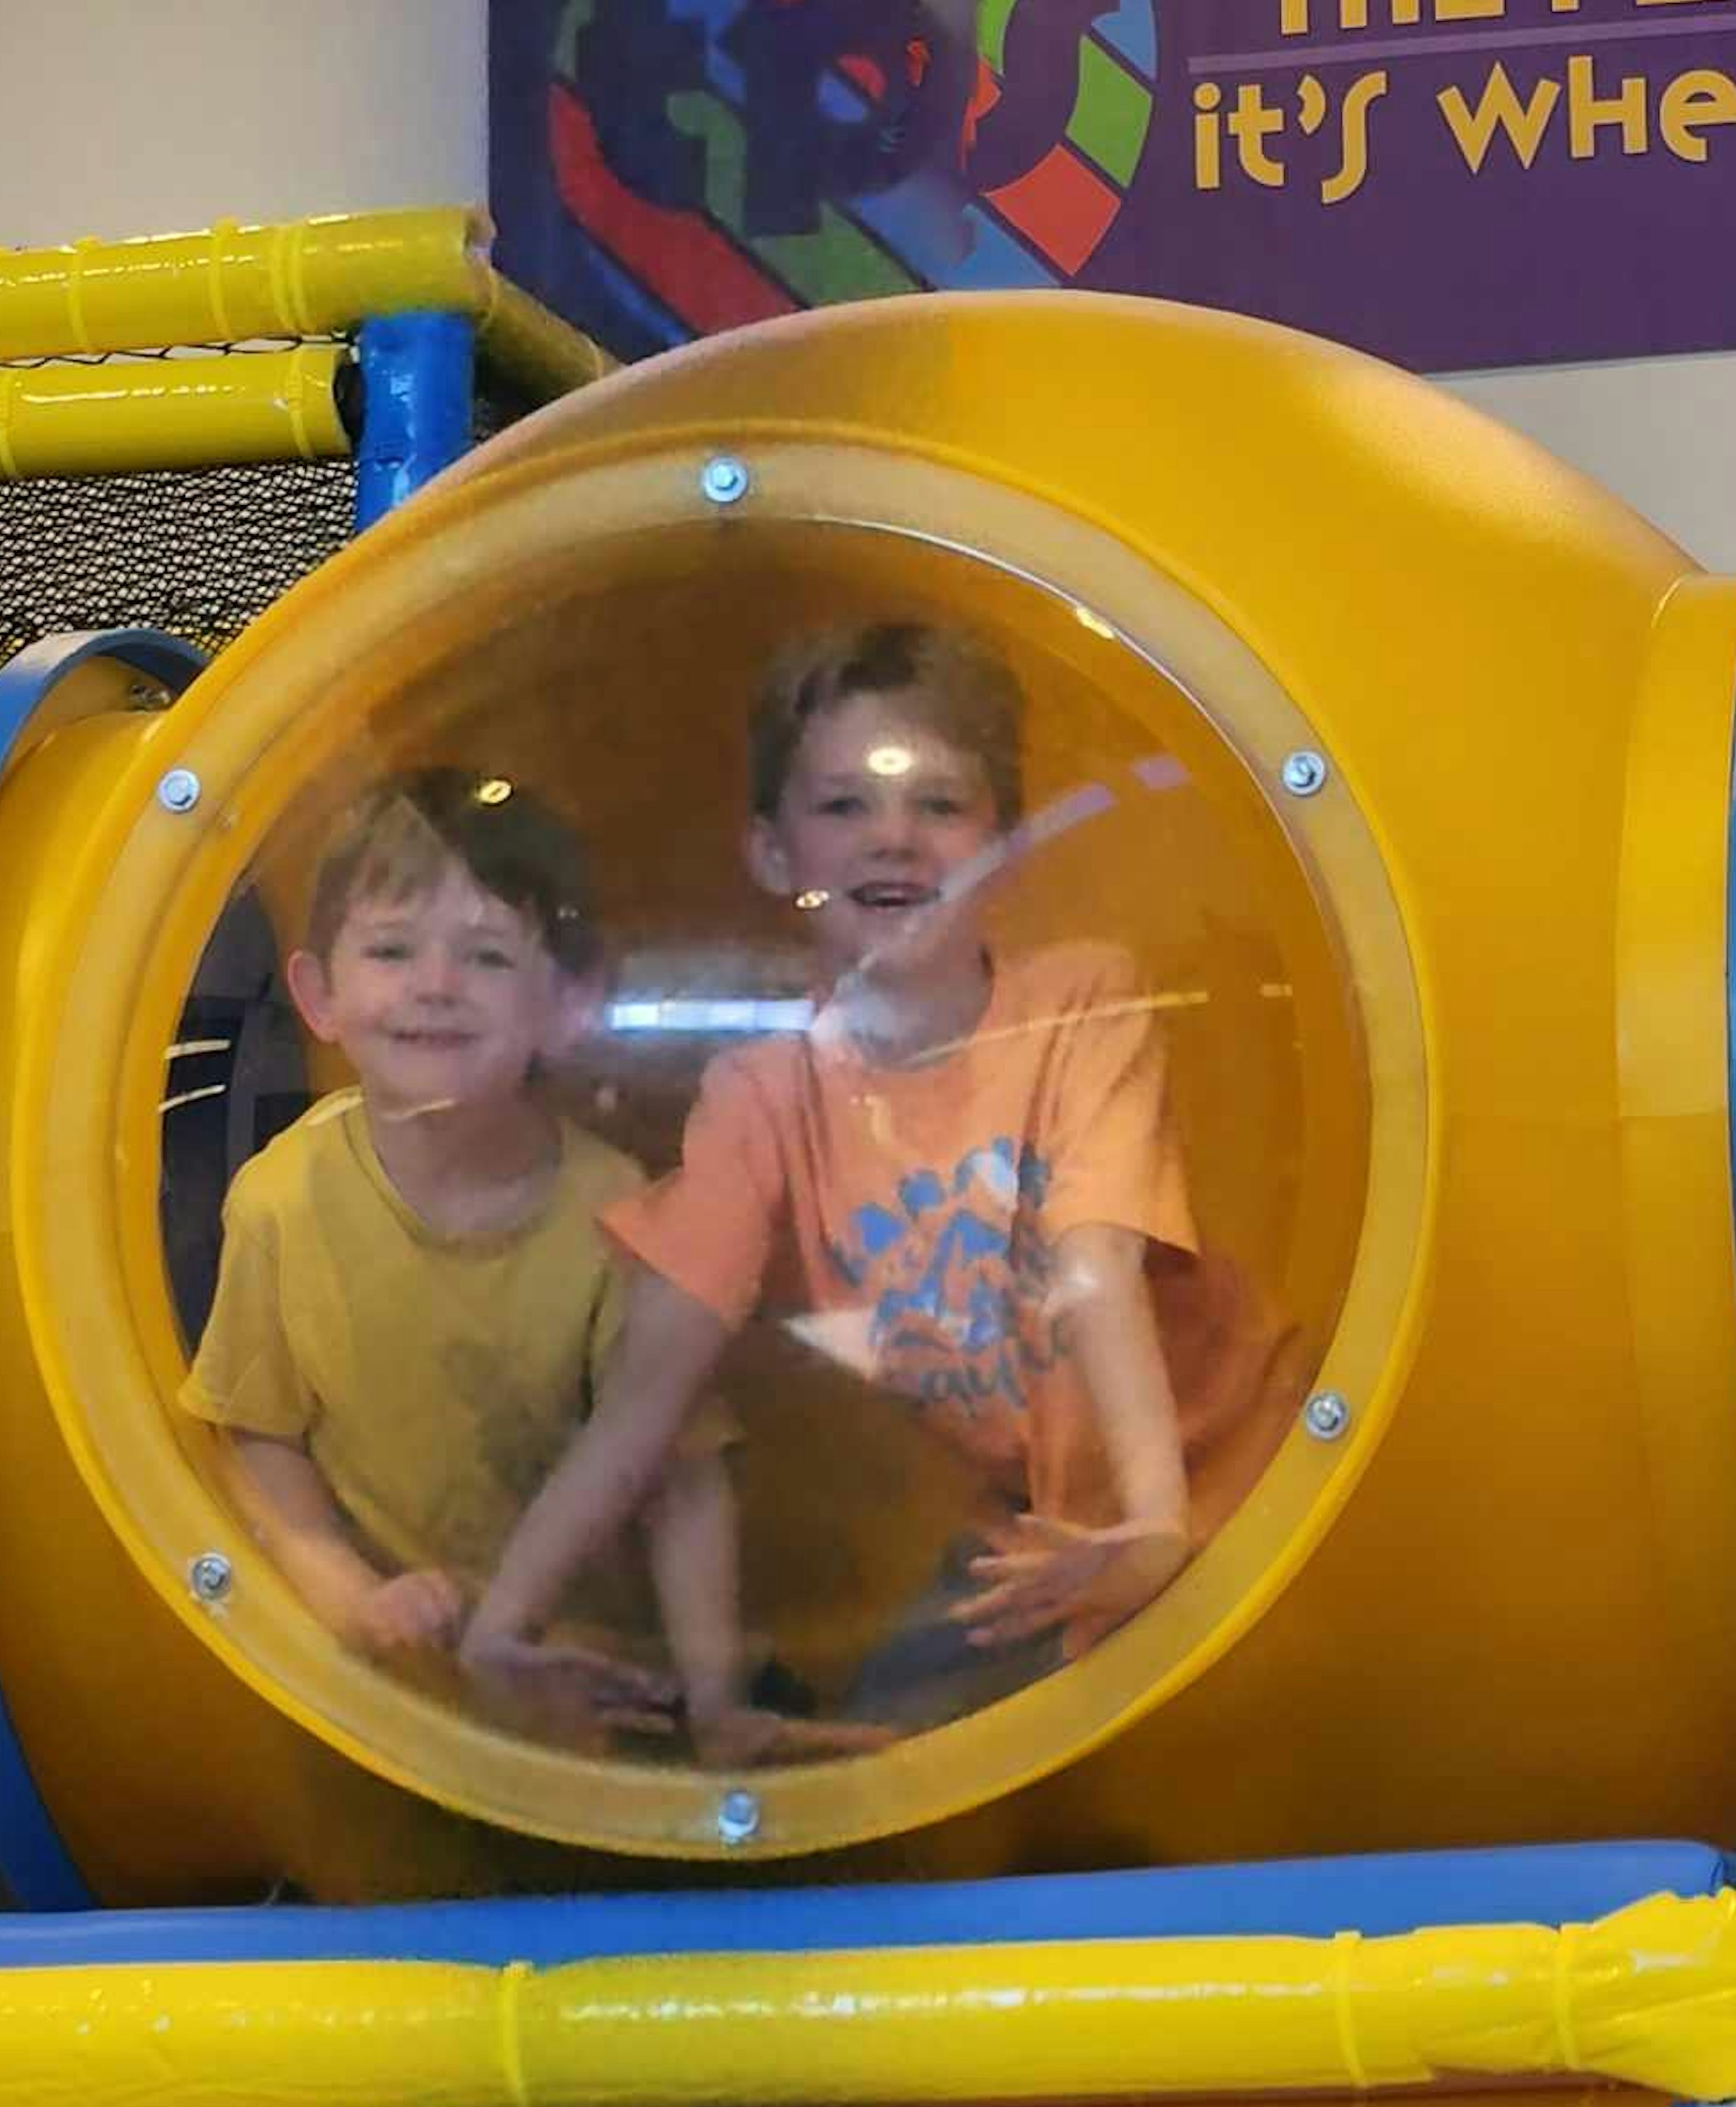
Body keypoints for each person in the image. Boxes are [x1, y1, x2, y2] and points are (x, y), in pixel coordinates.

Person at [462, 619, 1300, 1728]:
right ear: (773, 852)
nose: (892, 839)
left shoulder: (1080, 1003)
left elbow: (1092, 1263)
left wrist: (1153, 1525)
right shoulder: (762, 1095)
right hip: (1043, 1529)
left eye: (940, 806)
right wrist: (502, 1628)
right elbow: (650, 1390)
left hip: (1250, 1465)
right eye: (844, 806)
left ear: (1007, 843)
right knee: (878, 1755)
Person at [178, 767, 740, 1746]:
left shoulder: (621, 1216)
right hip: (399, 1675)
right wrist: (357, 1603)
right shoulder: (279, 1200)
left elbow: (682, 1481)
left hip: (589, 1676)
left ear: (566, 1003)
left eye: (485, 956)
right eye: (392, 950)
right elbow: (257, 1438)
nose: (434, 986)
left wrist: (716, 1701)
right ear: (319, 994)